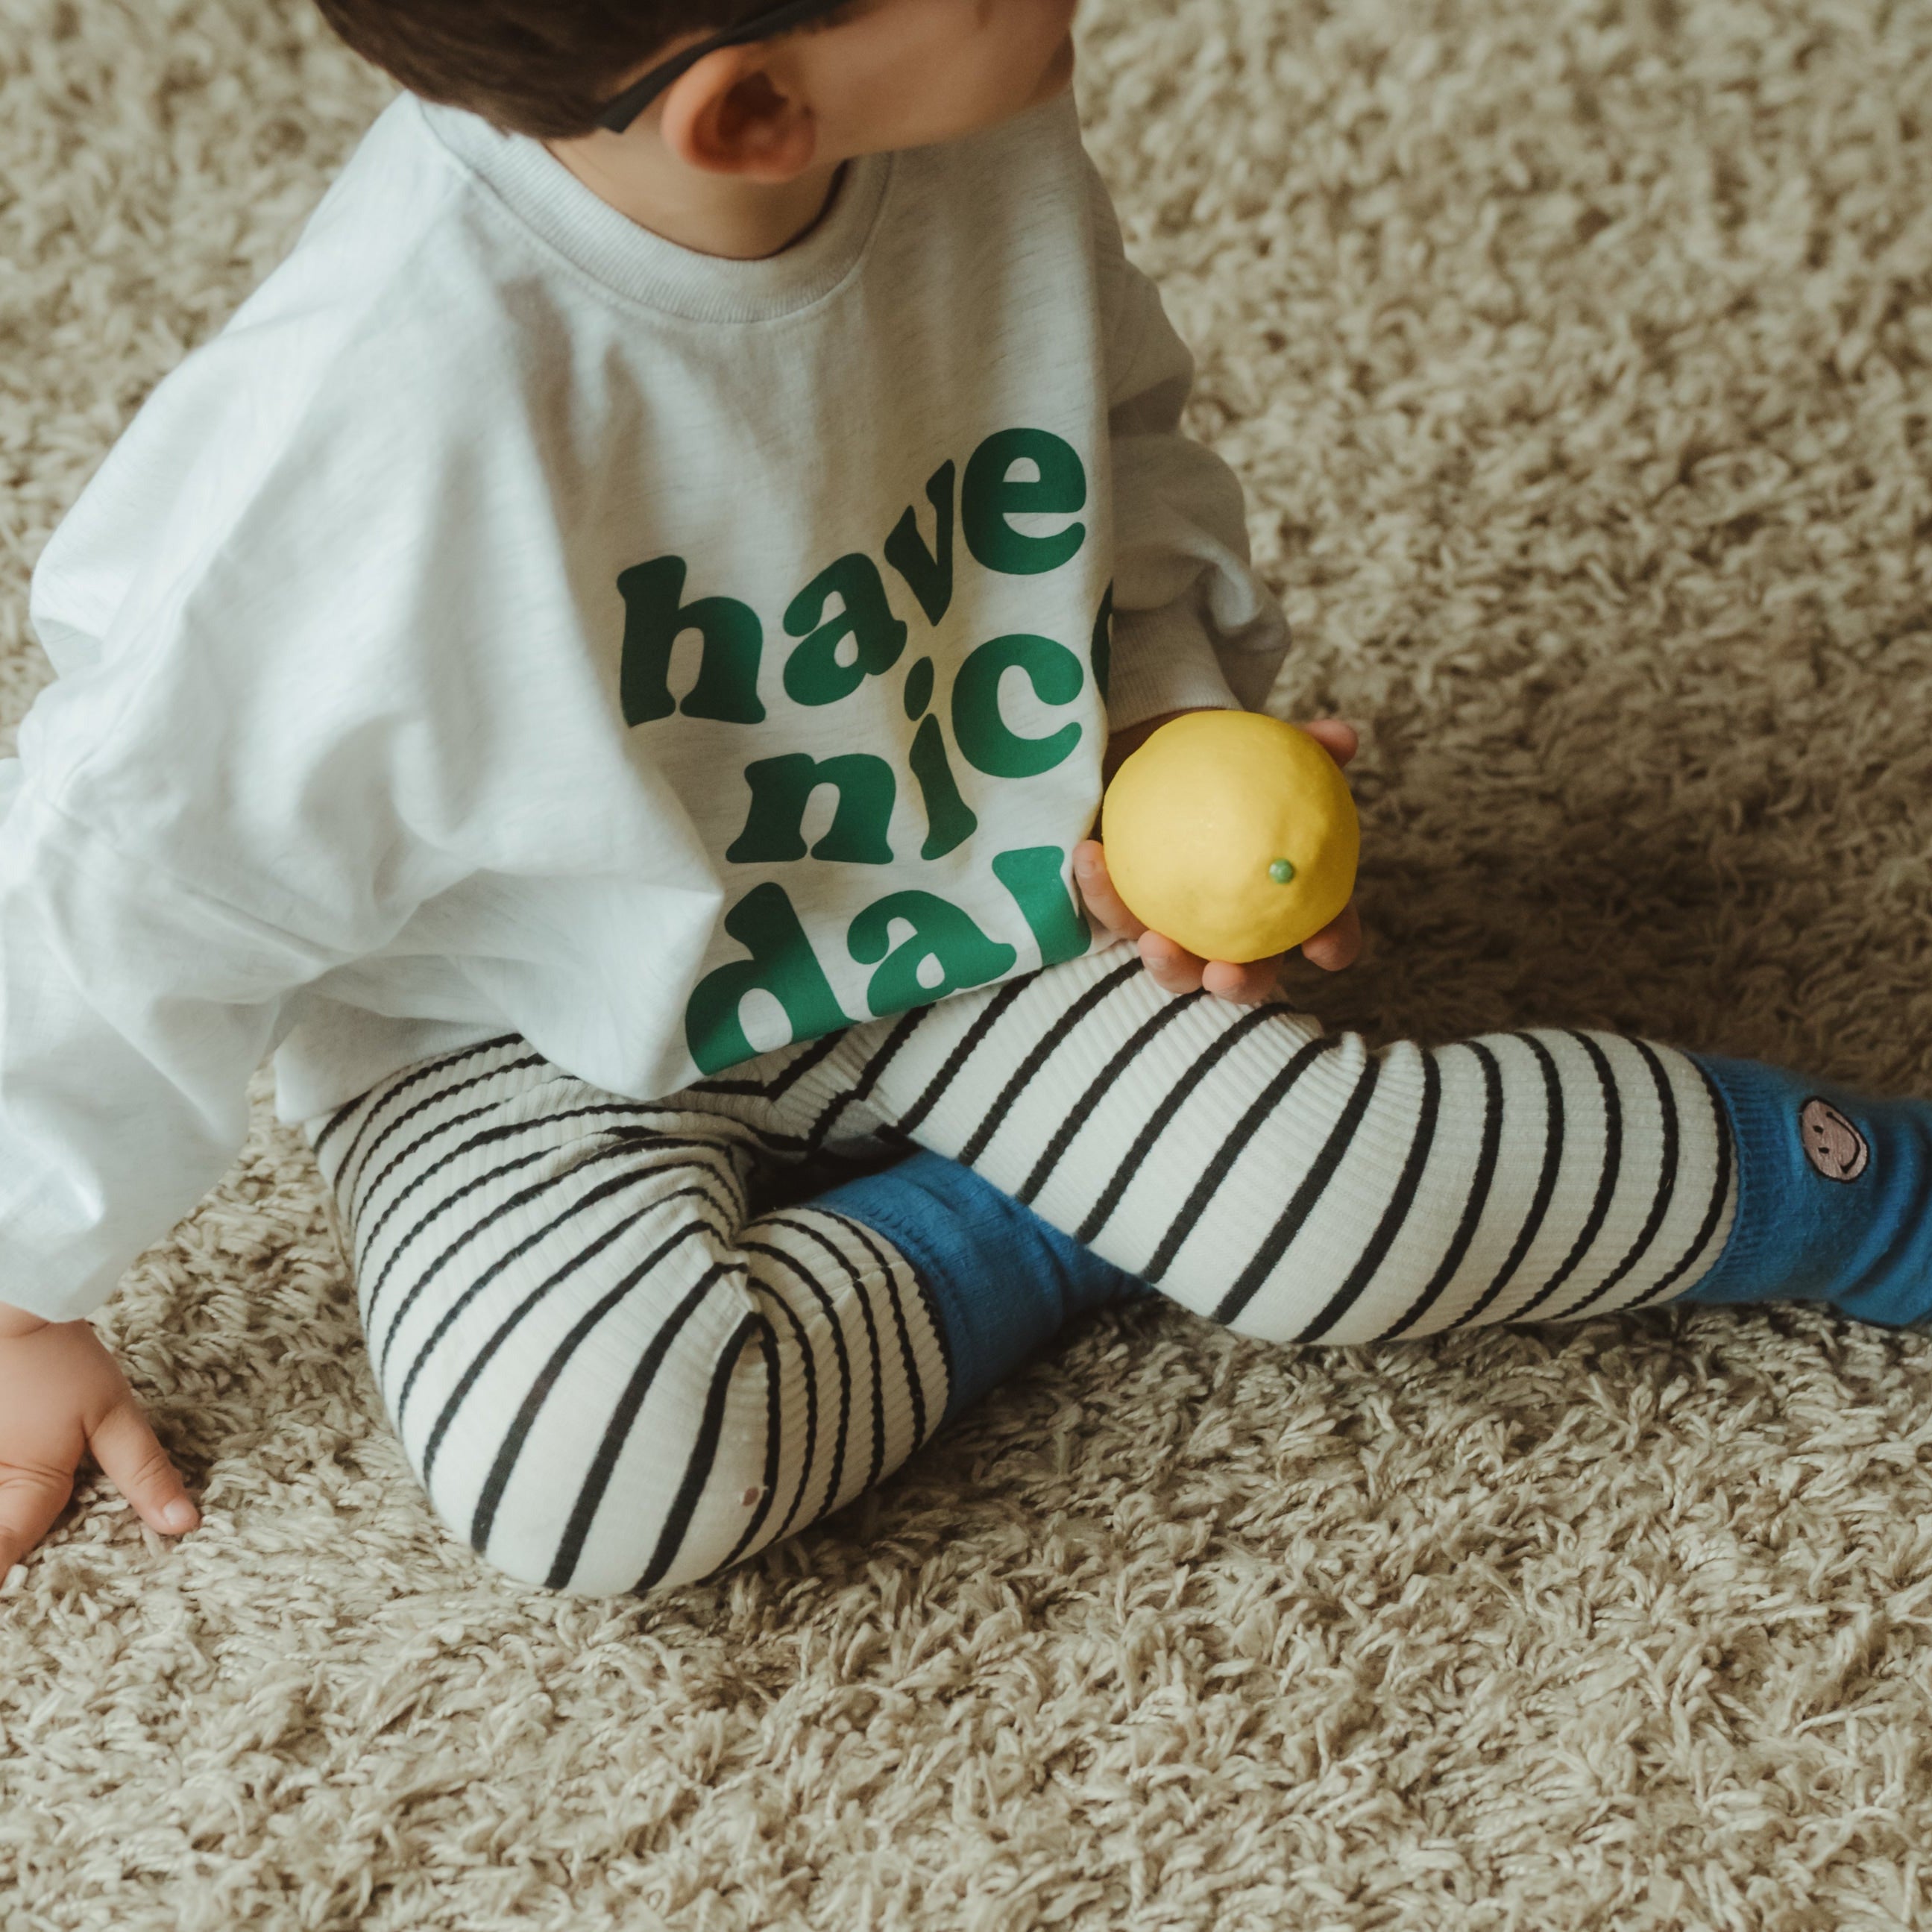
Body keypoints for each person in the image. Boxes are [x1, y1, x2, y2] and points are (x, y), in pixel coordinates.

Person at [1, 0, 1927, 1596]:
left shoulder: (951, 119)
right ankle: (1051, 1221)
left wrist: (1165, 724)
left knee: (1335, 1204)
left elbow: (1108, 443)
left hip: (974, 879)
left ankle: (1861, 1192)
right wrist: (21, 1293)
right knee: (588, 1471)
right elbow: (122, 866)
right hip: (522, 1019)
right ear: (751, 112)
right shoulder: (357, 445)